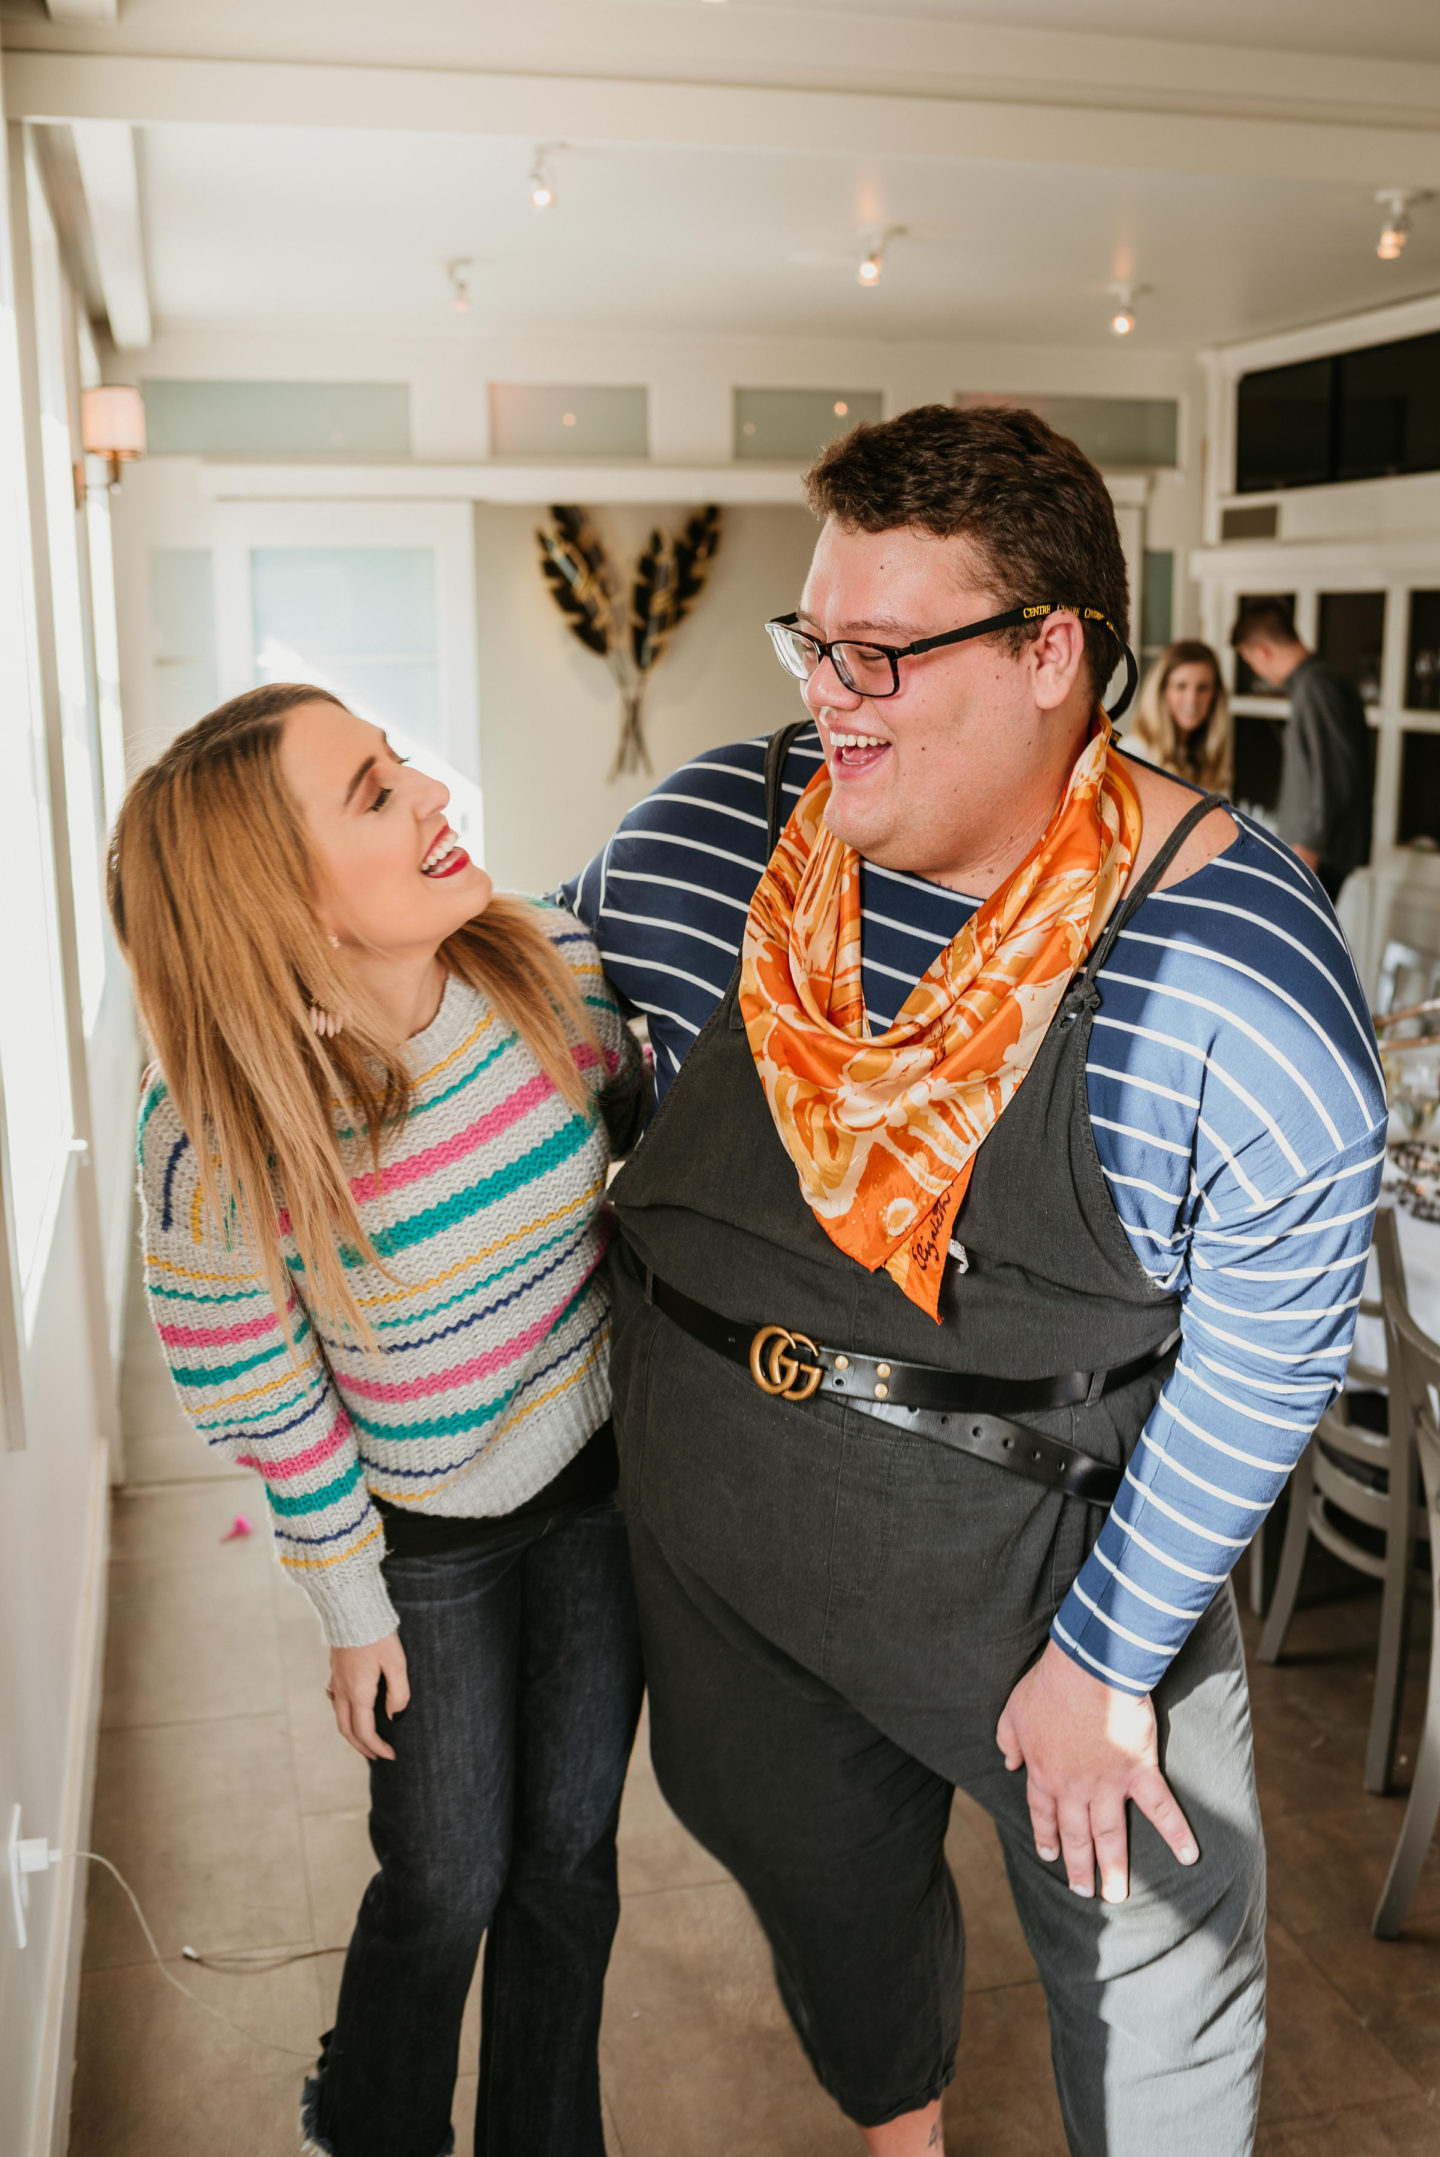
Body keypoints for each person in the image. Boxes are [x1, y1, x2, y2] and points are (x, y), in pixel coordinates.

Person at [563, 405, 1385, 2156]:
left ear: (1050, 654)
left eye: (881, 650)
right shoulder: (732, 831)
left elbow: (1272, 1348)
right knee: (823, 1888)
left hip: (1052, 1584)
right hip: (734, 1568)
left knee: (1161, 1971)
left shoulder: (1223, 963)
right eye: (815, 640)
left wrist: (1102, 1660)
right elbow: (556, 996)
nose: (828, 694)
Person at [108, 684, 647, 2157]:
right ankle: (370, 2119)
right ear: (280, 899)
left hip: (600, 1483)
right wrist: (352, 1602)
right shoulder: (220, 1124)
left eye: (399, 757)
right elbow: (265, 1387)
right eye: (370, 790)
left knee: (569, 1864)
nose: (429, 791)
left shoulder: (555, 970)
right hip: (426, 1532)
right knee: (447, 1874)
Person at [1229, 598, 1373, 901]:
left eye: (1250, 661)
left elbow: (1333, 772)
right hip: (1319, 851)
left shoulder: (1316, 687)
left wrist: (1308, 848)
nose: (1257, 671)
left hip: (1316, 855)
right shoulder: (1320, 683)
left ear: (1263, 652)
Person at [1126, 636, 1233, 794]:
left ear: (1216, 695)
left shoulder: (1207, 758)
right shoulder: (1135, 753)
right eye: (1181, 686)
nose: (1192, 700)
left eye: (1203, 688)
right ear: (1162, 691)